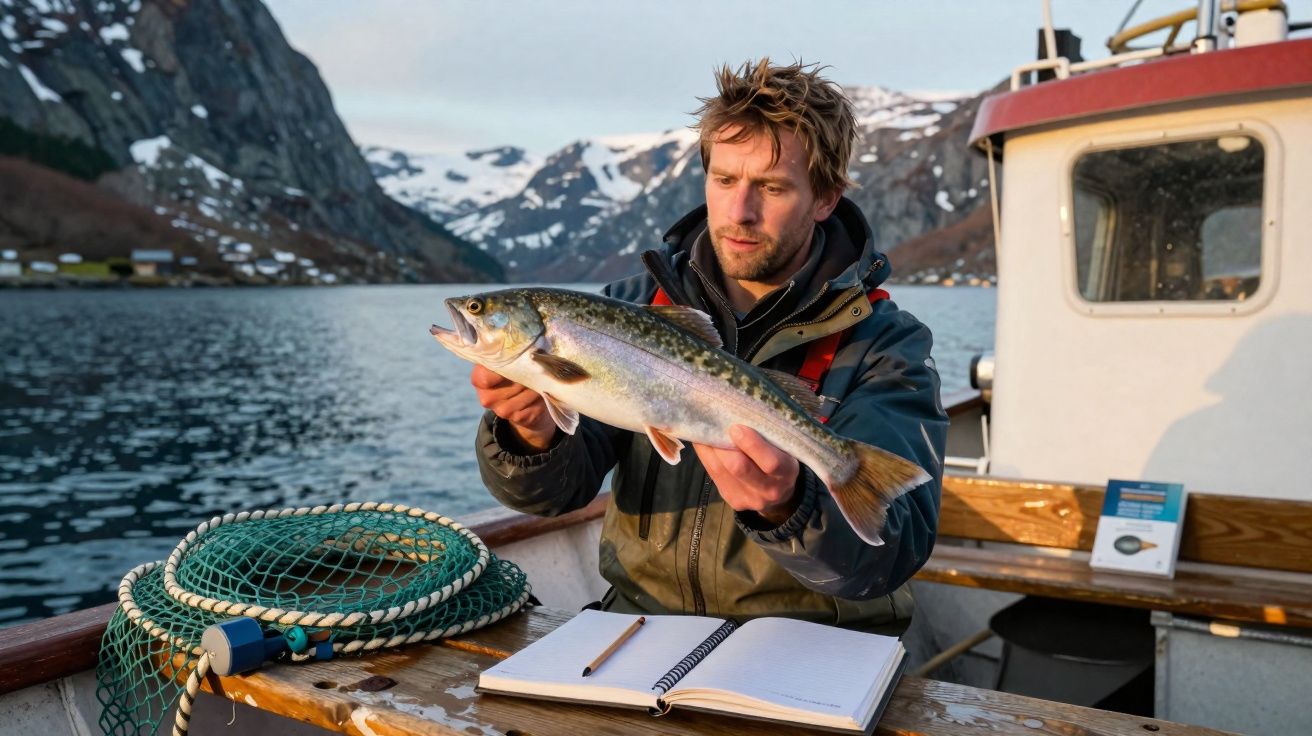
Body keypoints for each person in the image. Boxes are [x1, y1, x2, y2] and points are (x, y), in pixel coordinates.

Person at [470, 59, 946, 634]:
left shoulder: (885, 344)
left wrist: (788, 506)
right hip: (638, 629)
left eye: (771, 187)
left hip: (811, 648)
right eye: (724, 181)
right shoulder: (632, 309)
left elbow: (890, 556)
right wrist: (529, 436)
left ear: (825, 198)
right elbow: (556, 497)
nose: (739, 212)